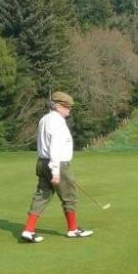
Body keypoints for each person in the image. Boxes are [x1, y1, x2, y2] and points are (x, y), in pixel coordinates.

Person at [20, 91, 94, 242]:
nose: (69, 110)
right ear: (58, 106)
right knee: (69, 197)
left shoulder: (44, 119)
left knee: (42, 195)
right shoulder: (58, 122)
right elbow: (55, 147)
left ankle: (28, 230)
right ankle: (73, 229)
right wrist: (56, 172)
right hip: (57, 163)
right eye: (67, 107)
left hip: (42, 162)